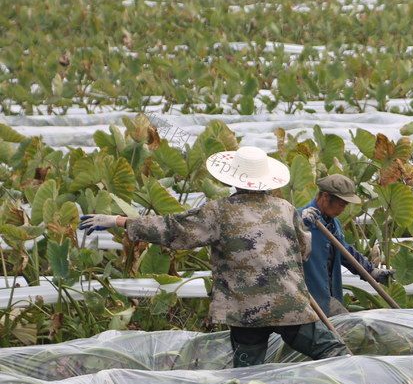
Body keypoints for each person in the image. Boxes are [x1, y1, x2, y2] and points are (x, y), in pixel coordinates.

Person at [79, 146, 349, 368]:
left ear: (233, 178)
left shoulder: (219, 211)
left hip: (245, 309)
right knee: (333, 352)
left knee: (249, 374)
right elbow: (304, 250)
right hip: (288, 303)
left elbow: (174, 230)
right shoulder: (285, 208)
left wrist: (120, 221)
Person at [299, 174, 394, 317]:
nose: (343, 209)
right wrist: (300, 226)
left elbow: (344, 251)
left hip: (329, 296)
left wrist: (371, 271)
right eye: (341, 204)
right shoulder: (300, 219)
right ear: (326, 197)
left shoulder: (333, 222)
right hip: (307, 299)